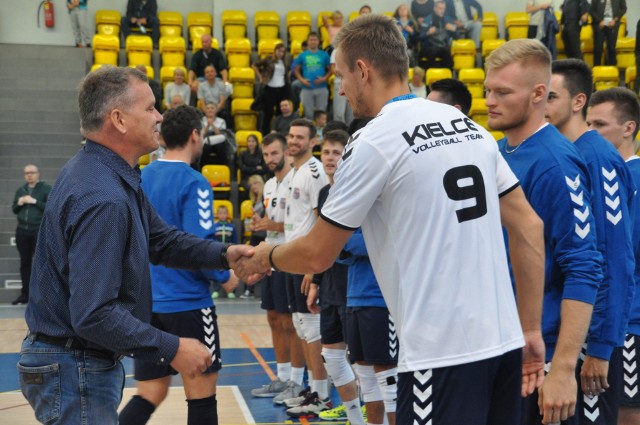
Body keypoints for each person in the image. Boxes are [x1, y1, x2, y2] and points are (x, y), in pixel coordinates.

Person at [234, 15, 547, 424]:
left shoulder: (373, 139)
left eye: (341, 75)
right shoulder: (468, 126)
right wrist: (530, 329)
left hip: (440, 351)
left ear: (363, 70)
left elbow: (316, 255)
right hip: (505, 344)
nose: (341, 88)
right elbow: (529, 227)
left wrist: (264, 257)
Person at [16, 66, 254, 425]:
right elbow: (93, 313)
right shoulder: (103, 198)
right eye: (150, 108)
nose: (159, 117)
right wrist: (173, 347)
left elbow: (160, 240)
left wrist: (224, 254)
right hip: (74, 364)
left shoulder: (107, 173)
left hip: (73, 362)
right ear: (119, 119)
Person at [484, 39, 604, 424]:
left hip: (540, 354)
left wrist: (564, 368)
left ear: (539, 93)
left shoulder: (555, 163)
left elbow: (584, 266)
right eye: (487, 90)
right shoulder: (498, 152)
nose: (489, 101)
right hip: (500, 345)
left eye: (503, 92)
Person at [118, 104, 238, 425]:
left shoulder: (139, 177)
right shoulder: (194, 182)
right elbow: (199, 246)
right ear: (195, 136)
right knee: (201, 394)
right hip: (189, 304)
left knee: (149, 393)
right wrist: (226, 276)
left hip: (147, 305)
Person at [546, 58, 635, 425]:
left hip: (588, 336)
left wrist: (600, 345)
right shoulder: (556, 152)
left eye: (550, 97)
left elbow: (615, 257)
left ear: (577, 101)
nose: (541, 105)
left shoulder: (598, 158)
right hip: (561, 330)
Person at [305, 129, 368, 425]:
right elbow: (321, 241)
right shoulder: (323, 193)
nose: (330, 158)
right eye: (326, 152)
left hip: (356, 284)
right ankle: (354, 414)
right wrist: (316, 281)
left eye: (336, 152)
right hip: (330, 283)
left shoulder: (358, 188)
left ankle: (371, 409)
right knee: (331, 355)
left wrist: (336, 247)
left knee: (363, 358)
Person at [586, 87, 640, 425]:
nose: (590, 132)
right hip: (614, 317)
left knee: (626, 410)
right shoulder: (605, 173)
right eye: (587, 123)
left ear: (628, 128)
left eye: (600, 125)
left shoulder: (631, 178)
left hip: (629, 320)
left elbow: (626, 254)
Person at [249, 133, 307, 402]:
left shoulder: (297, 181)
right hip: (271, 259)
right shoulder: (270, 185)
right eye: (266, 155)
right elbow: (270, 224)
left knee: (290, 322)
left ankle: (296, 381)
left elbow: (299, 223)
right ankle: (282, 378)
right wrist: (261, 227)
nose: (269, 159)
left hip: (289, 256)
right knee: (273, 318)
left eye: (274, 153)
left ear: (285, 152)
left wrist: (268, 226)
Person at [280, 118, 330, 416]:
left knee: (312, 328)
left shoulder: (314, 172)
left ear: (313, 142)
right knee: (301, 325)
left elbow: (323, 220)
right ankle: (313, 389)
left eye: (300, 137)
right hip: (290, 257)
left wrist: (314, 267)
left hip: (305, 260)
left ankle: (321, 394)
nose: (294, 141)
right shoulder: (294, 172)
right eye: (291, 135)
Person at [11, 165, 51, 306]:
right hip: (22, 231)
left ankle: (42, 296)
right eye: (26, 173)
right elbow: (14, 209)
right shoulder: (21, 190)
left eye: (32, 172)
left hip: (38, 230)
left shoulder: (46, 189)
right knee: (25, 263)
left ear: (38, 174)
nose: (29, 175)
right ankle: (25, 295)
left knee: (41, 263)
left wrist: (34, 201)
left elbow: (51, 207)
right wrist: (20, 203)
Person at [253, 43, 291, 136]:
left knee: (280, 113)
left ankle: (279, 133)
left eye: (283, 52)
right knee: (268, 113)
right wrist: (260, 77)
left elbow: (286, 73)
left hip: (282, 89)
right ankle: (265, 133)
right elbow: (255, 65)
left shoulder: (285, 61)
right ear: (275, 50)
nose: (281, 53)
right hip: (270, 88)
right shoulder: (269, 59)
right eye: (279, 51)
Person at [293, 33, 331, 120]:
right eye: (311, 40)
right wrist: (302, 80)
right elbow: (296, 70)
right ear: (307, 42)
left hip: (321, 88)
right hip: (306, 88)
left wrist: (324, 78)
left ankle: (320, 133)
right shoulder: (302, 55)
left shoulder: (324, 54)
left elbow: (331, 69)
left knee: (321, 114)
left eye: (315, 40)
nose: (313, 42)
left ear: (318, 42)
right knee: (308, 115)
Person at [417, 1, 457, 70]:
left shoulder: (448, 19)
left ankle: (446, 75)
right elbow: (420, 37)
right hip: (429, 47)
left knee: (447, 51)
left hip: (442, 47)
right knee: (432, 51)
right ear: (434, 8)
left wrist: (454, 30)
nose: (442, 11)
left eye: (443, 9)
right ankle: (431, 75)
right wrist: (428, 33)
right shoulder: (427, 19)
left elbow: (458, 37)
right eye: (440, 8)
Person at [591, 0, 627, 67]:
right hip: (599, 24)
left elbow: (623, 8)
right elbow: (592, 10)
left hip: (613, 24)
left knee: (611, 47)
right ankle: (596, 70)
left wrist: (615, 19)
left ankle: (612, 69)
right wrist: (599, 21)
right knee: (598, 47)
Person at [330, 48, 353, 125]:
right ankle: (339, 133)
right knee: (339, 113)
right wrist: (345, 74)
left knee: (351, 113)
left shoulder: (356, 49)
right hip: (339, 83)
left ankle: (351, 132)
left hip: (353, 84)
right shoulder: (336, 50)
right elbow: (333, 68)